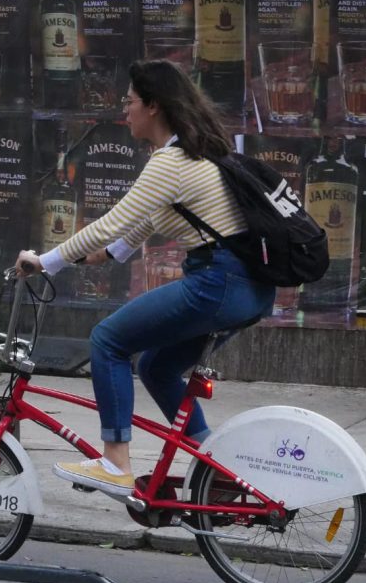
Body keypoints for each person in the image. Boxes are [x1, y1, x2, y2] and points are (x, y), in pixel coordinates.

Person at [16, 59, 275, 497]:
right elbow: (148, 218)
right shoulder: (190, 153)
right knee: (156, 365)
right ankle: (217, 469)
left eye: (130, 102)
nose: (125, 110)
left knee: (107, 340)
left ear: (153, 106)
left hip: (217, 281)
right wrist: (108, 255)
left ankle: (115, 462)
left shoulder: (171, 160)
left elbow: (112, 220)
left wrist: (47, 261)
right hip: (246, 287)